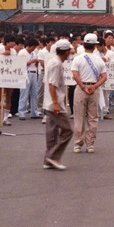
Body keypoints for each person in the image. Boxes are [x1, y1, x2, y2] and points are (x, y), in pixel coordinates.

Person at [71, 33, 107, 154]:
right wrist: (94, 86)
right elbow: (104, 77)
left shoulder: (77, 58)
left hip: (81, 88)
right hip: (94, 88)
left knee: (79, 117)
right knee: (93, 118)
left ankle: (77, 144)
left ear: (84, 44)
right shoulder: (99, 60)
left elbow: (75, 75)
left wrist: (83, 87)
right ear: (95, 46)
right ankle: (90, 144)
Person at [42, 39, 74, 170]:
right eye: (69, 52)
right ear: (65, 52)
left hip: (50, 102)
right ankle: (53, 156)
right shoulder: (56, 64)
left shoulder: (53, 61)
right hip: (55, 103)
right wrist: (56, 103)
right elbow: (52, 84)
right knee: (67, 130)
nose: (70, 54)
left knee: (52, 131)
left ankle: (48, 160)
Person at [18, 37, 41, 120]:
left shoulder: (34, 53)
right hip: (25, 73)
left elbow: (36, 64)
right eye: (33, 47)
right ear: (30, 46)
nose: (34, 49)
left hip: (34, 73)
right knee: (24, 94)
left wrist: (36, 63)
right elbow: (20, 63)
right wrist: (31, 61)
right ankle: (22, 113)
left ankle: (34, 112)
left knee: (34, 94)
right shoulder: (22, 52)